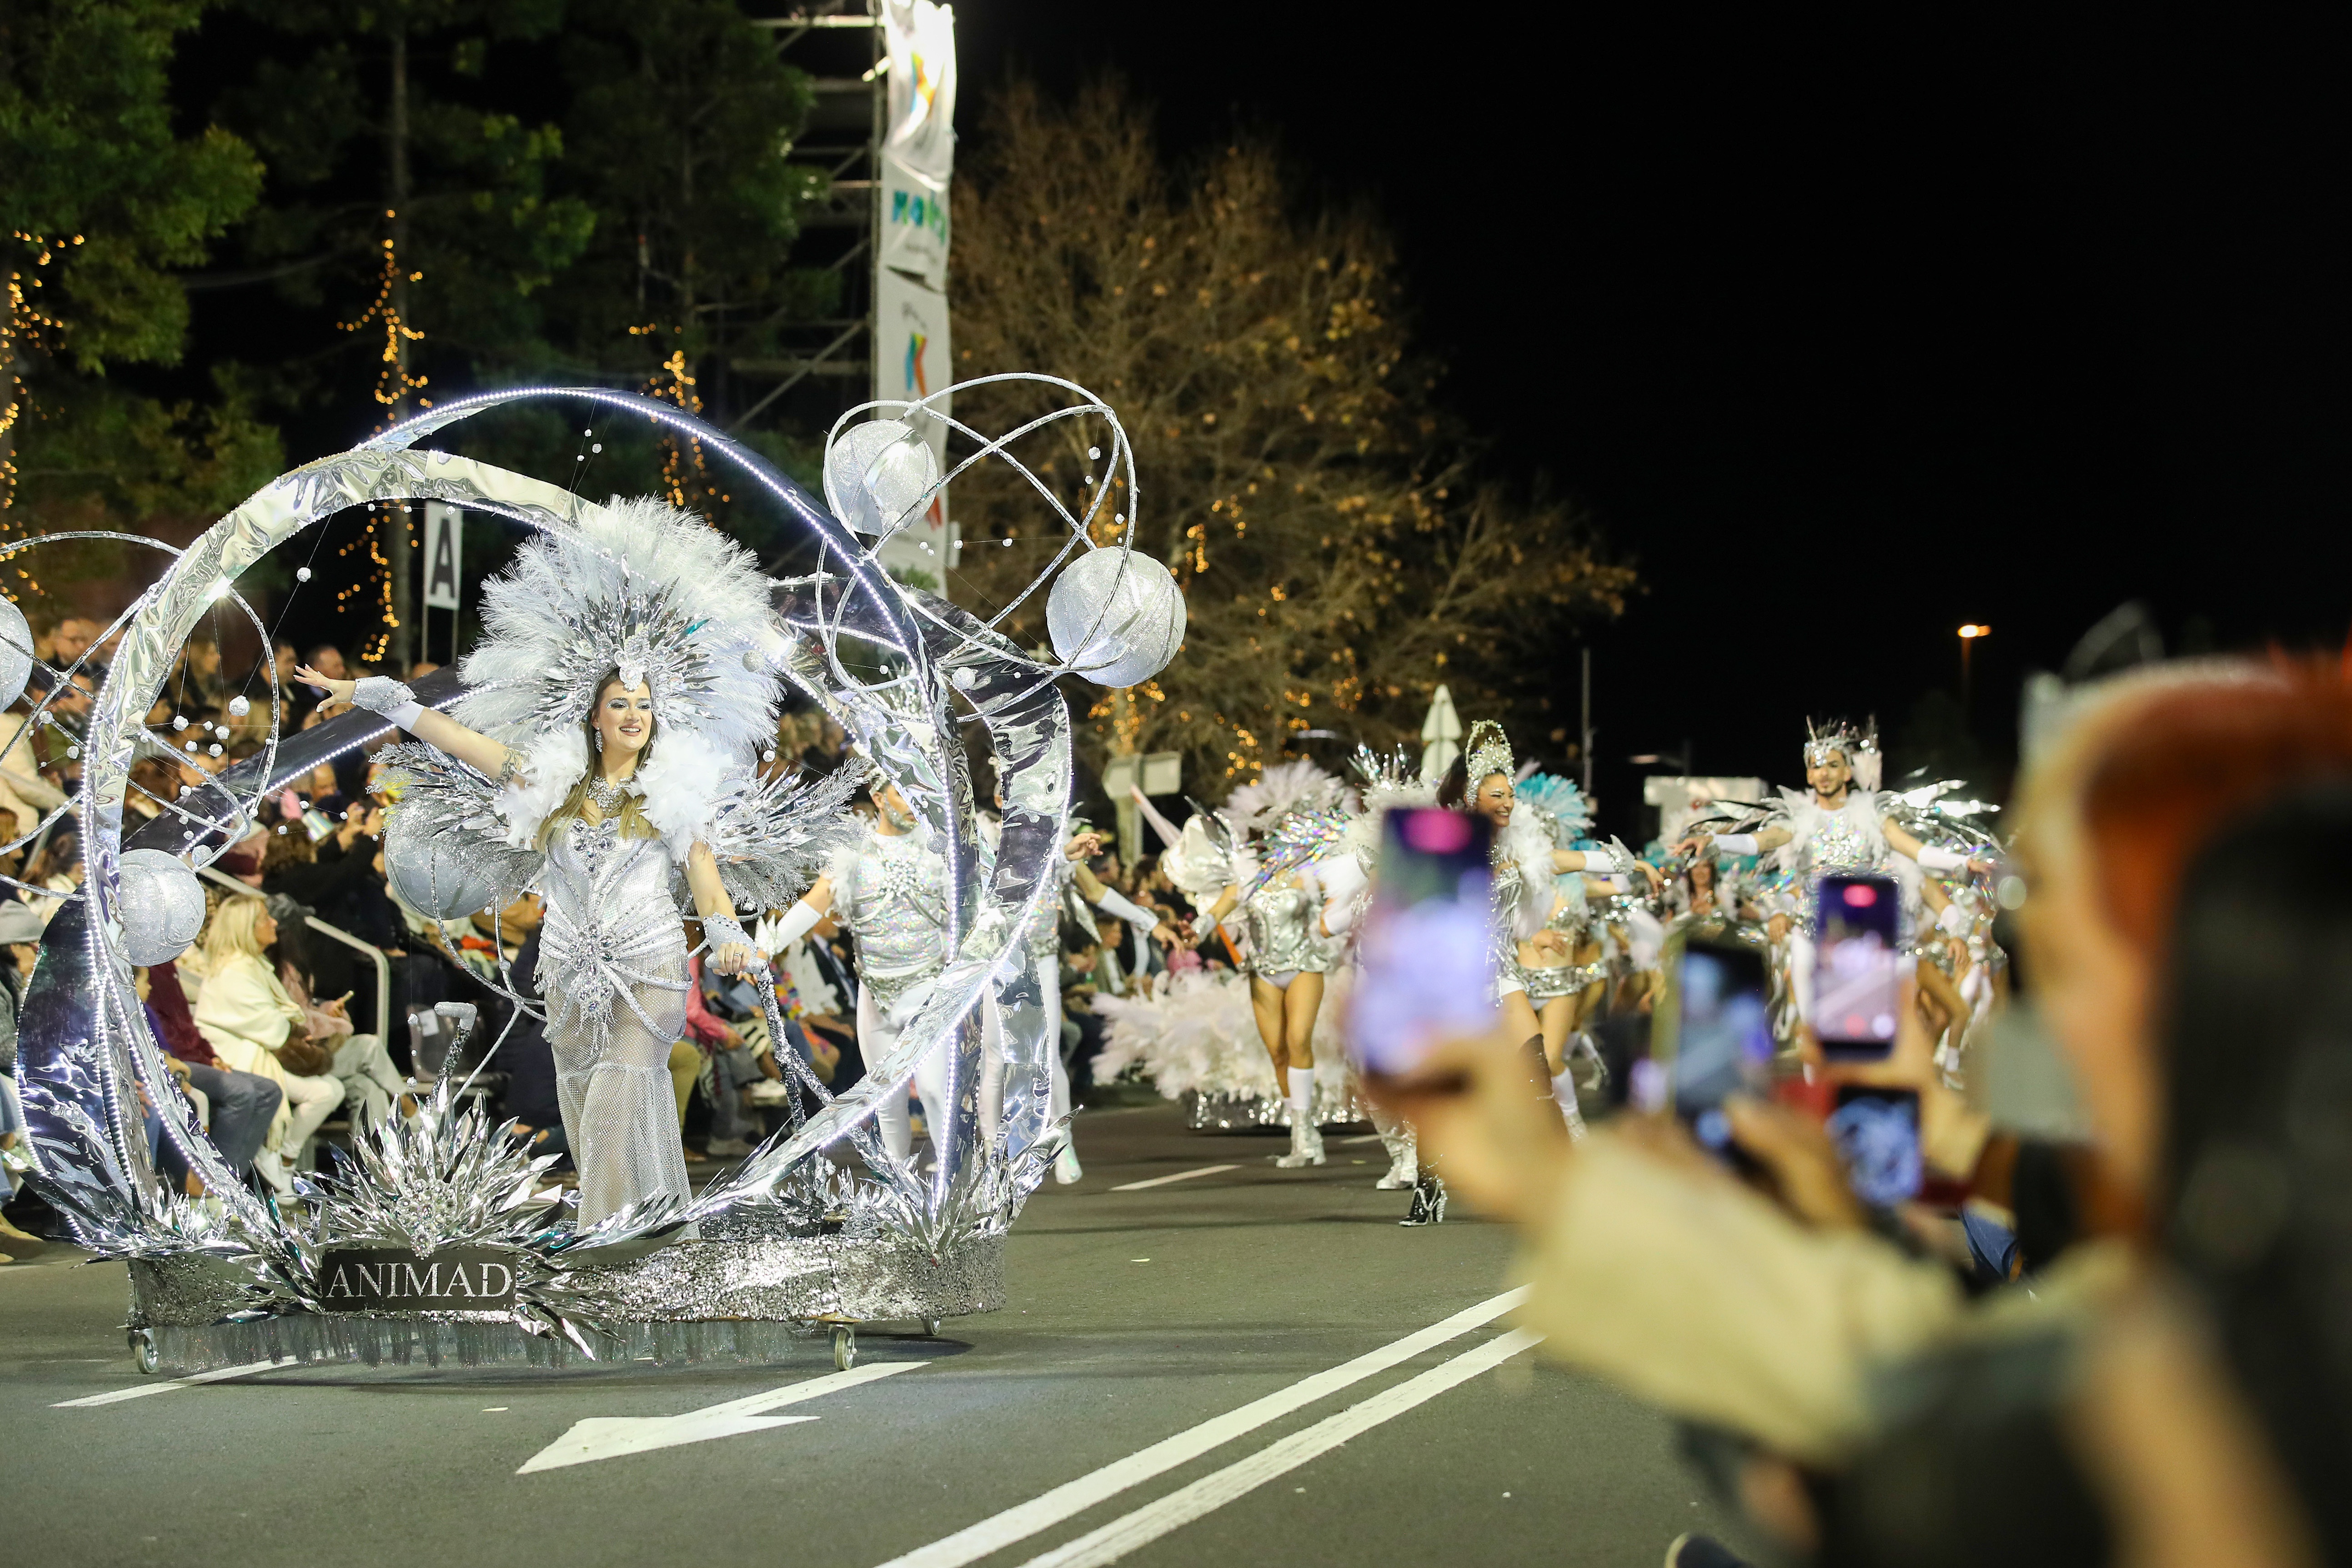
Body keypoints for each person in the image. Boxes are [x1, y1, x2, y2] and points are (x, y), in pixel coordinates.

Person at [313, 496, 829, 1229]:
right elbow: (457, 739)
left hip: (647, 963)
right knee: (584, 1097)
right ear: (594, 713)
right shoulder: (546, 778)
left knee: (619, 1092)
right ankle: (645, 1228)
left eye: (643, 705)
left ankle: (599, 1240)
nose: (632, 715)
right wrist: (373, 696)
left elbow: (705, 876)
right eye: (619, 703)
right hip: (565, 964)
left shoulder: (674, 789)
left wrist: (725, 934)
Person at [762, 777, 951, 1167]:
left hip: (930, 987)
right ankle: (900, 1192)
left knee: (935, 1090)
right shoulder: (852, 853)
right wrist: (763, 947)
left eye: (920, 792)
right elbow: (814, 906)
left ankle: (951, 1178)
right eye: (903, 792)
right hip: (875, 997)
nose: (915, 803)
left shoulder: (941, 849)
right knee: (887, 1100)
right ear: (879, 798)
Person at [189, 896, 349, 1192]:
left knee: (333, 1089)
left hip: (259, 1053)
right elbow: (273, 1026)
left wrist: (293, 1023)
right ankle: (273, 1154)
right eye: (265, 918)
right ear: (246, 928)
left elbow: (283, 1016)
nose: (273, 922)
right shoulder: (234, 970)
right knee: (324, 1091)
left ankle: (283, 1155)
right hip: (236, 1058)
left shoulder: (254, 965)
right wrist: (294, 1025)